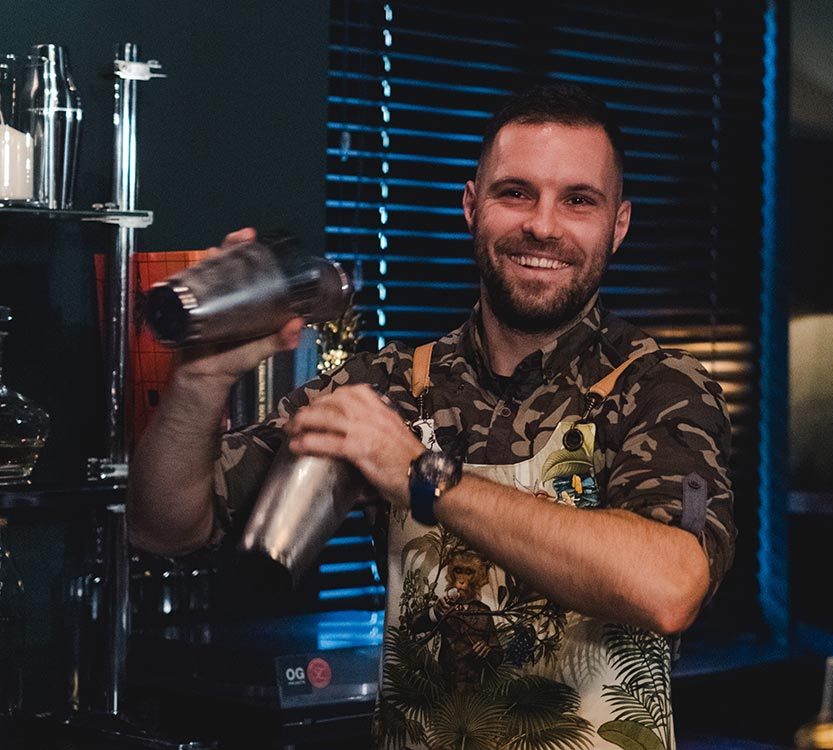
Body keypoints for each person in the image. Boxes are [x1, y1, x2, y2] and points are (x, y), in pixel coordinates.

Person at [128, 83, 735, 750]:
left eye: (578, 200)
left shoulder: (658, 386)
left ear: (618, 225)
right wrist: (199, 382)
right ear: (471, 206)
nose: (542, 225)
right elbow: (165, 525)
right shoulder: (387, 387)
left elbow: (669, 587)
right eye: (515, 192)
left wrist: (423, 476)